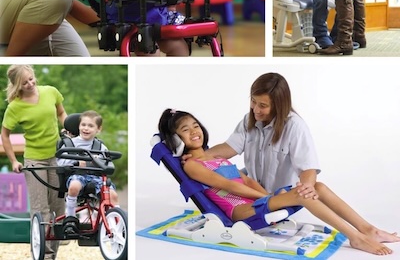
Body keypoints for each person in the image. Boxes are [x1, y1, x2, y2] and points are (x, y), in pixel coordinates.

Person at [158, 108, 400, 256]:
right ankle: (355, 237)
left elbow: (246, 180)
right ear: (175, 141)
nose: (194, 132)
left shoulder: (217, 158)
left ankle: (368, 229)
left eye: (195, 126)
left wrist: (267, 196)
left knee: (319, 187)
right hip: (240, 211)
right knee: (302, 194)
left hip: (254, 201)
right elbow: (231, 187)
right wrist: (268, 199)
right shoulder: (191, 165)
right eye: (185, 131)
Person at [184, 73, 320, 197]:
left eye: (263, 105)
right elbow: (229, 147)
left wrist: (307, 187)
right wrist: (200, 157)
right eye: (253, 101)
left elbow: (307, 168)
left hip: (280, 196)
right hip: (254, 193)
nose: (255, 109)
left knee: (321, 188)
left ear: (278, 106)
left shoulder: (295, 126)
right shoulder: (249, 119)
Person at [1, 65, 67, 259]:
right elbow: (5, 135)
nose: (30, 84)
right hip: (34, 161)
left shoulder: (50, 92)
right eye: (25, 82)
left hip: (57, 156)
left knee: (58, 207)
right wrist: (13, 160)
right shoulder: (15, 107)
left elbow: (62, 113)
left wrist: (66, 127)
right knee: (40, 209)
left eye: (31, 79)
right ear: (16, 85)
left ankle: (52, 255)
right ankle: (42, 254)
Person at [56, 110, 119, 230]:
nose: (86, 128)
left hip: (96, 177)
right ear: (79, 126)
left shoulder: (100, 146)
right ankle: (70, 218)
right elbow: (60, 162)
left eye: (90, 126)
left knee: (113, 195)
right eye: (83, 125)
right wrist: (76, 162)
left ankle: (117, 222)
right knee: (74, 186)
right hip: (77, 175)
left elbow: (107, 161)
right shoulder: (69, 144)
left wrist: (99, 162)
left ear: (98, 129)